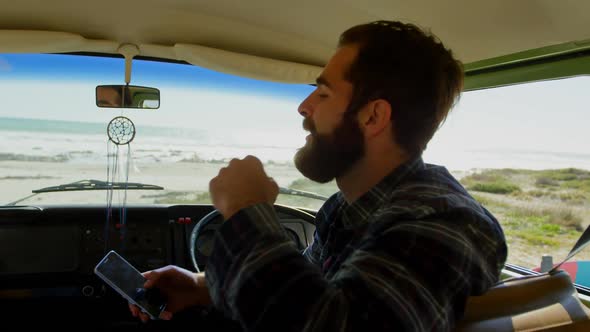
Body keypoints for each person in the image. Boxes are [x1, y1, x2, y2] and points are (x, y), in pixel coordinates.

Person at [129, 20, 507, 331]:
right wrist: (203, 287)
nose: (303, 106)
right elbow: (311, 292)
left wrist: (246, 210)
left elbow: (332, 323)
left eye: (323, 94)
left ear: (373, 117)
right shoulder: (347, 208)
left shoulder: (441, 221)